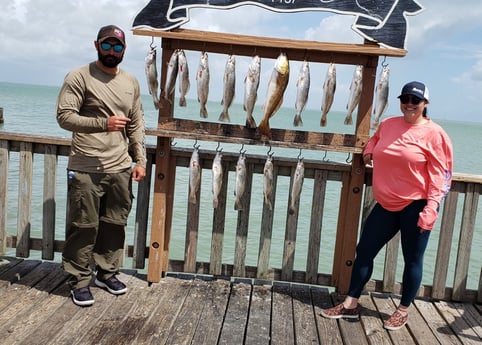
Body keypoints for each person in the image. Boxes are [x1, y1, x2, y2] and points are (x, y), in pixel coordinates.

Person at [320, 81, 453, 330]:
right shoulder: (389, 123)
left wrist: (431, 207)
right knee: (365, 251)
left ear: (425, 104)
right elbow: (375, 139)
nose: (409, 105)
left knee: (412, 259)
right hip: (386, 204)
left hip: (417, 205)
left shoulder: (435, 134)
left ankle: (403, 310)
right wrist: (369, 151)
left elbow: (442, 175)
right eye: (405, 99)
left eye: (415, 100)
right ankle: (350, 305)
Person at [57, 25, 147, 306]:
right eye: (107, 45)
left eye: (117, 47)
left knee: (114, 224)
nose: (111, 51)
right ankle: (79, 280)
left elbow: (136, 124)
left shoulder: (131, 81)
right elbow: (64, 117)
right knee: (82, 227)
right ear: (96, 45)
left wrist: (140, 159)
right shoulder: (79, 76)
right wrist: (102, 124)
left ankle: (107, 273)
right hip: (85, 168)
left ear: (124, 50)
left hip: (120, 167)